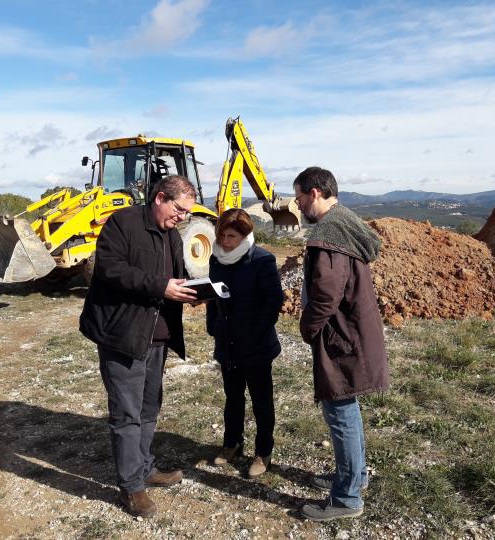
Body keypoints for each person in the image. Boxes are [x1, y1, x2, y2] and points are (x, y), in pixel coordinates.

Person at [79, 175, 198, 518]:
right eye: (179, 210)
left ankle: (145, 468)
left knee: (149, 406)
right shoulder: (122, 223)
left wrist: (194, 290)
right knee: (127, 413)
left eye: (187, 214)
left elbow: (178, 273)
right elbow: (110, 270)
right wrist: (161, 287)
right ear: (160, 197)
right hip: (123, 335)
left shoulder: (172, 235)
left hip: (157, 336)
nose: (182, 218)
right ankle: (132, 487)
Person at [293, 166, 389, 522]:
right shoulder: (346, 222)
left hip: (340, 338)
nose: (298, 204)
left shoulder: (329, 234)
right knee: (347, 409)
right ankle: (356, 476)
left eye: (300, 196)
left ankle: (347, 498)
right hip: (353, 332)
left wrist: (308, 328)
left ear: (315, 192)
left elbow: (325, 296)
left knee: (341, 413)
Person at [206, 209, 284, 478]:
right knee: (233, 397)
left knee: (261, 400)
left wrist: (255, 333)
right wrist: (213, 327)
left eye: (232, 236)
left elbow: (274, 302)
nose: (226, 242)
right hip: (227, 341)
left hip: (256, 343)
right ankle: (232, 443)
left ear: (245, 235)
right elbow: (212, 296)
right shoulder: (216, 259)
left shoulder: (262, 260)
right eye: (222, 235)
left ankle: (263, 452)